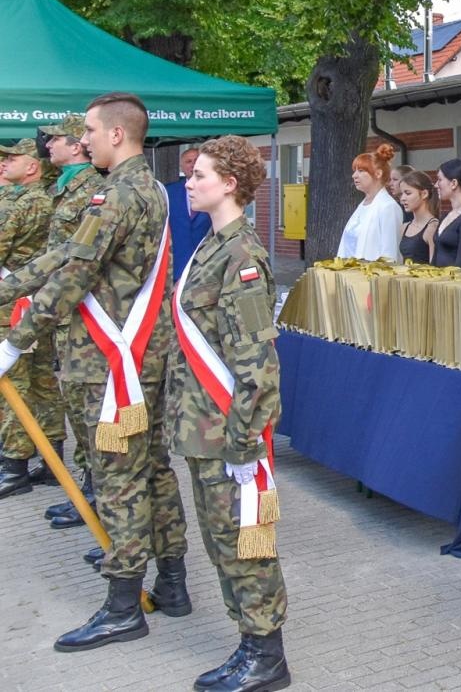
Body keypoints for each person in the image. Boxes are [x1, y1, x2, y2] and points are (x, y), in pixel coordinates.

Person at [0, 92, 190, 652]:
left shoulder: (117, 194)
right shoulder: (147, 187)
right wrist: (7, 286)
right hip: (143, 357)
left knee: (119, 480)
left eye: (87, 129)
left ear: (115, 134)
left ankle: (123, 606)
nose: (80, 139)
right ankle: (173, 583)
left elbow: (72, 275)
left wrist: (15, 342)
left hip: (112, 363)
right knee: (153, 470)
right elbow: (64, 256)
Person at [171, 136, 291, 692]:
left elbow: (257, 365)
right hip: (203, 427)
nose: (190, 182)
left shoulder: (242, 258)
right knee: (223, 543)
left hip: (228, 433)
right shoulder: (212, 246)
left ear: (230, 185)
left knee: (246, 543)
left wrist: (245, 446)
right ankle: (248, 644)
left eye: (200, 175)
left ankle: (266, 656)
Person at [37, 115, 106, 529]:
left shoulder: (93, 191)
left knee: (86, 412)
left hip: (82, 316)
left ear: (78, 146)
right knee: (74, 410)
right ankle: (87, 489)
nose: (49, 146)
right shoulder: (61, 187)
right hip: (60, 313)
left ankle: (98, 495)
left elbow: (80, 260)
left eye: (57, 139)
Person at [0, 138, 59, 498]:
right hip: (39, 303)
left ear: (32, 165)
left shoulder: (25, 203)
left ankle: (14, 466)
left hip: (13, 308)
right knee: (42, 383)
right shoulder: (48, 198)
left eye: (11, 158)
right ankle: (52, 459)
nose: (4, 163)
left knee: (15, 386)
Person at [337, 144, 403, 262]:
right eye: (355, 171)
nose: (354, 175)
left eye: (361, 171)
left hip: (371, 278)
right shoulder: (362, 206)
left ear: (378, 174)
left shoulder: (388, 207)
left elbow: (389, 255)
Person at [165, 146, 214, 280]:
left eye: (196, 160)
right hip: (177, 265)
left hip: (207, 265)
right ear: (181, 167)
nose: (193, 164)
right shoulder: (168, 192)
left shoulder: (215, 191)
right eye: (188, 161)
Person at [396, 171, 439, 265]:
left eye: (408, 193)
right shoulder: (405, 227)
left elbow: (434, 267)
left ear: (424, 194)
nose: (402, 198)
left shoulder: (432, 227)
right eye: (401, 194)